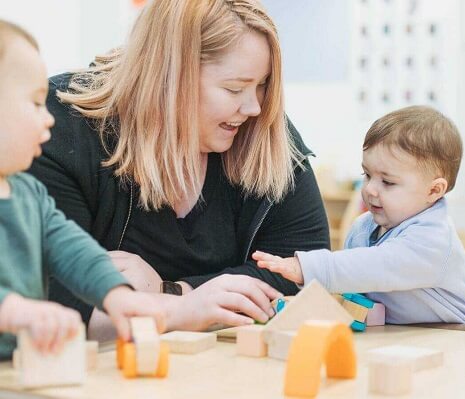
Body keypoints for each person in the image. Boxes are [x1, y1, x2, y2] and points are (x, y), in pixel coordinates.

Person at [28, 0, 329, 340]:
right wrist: (182, 311)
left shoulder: (264, 133)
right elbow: (50, 301)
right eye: (234, 88)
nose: (254, 107)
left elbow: (305, 269)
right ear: (168, 76)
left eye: (262, 84)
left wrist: (173, 293)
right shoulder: (59, 126)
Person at [0, 20, 167, 359]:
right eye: (34, 103)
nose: (49, 117)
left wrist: (116, 294)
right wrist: (14, 310)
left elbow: (73, 251)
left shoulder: (29, 194)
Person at [254, 106, 465, 325]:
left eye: (388, 182)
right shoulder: (362, 229)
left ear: (433, 190)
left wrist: (306, 267)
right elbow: (354, 290)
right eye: (367, 175)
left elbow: (377, 266)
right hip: (397, 336)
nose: (370, 189)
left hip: (456, 337)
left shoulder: (435, 241)